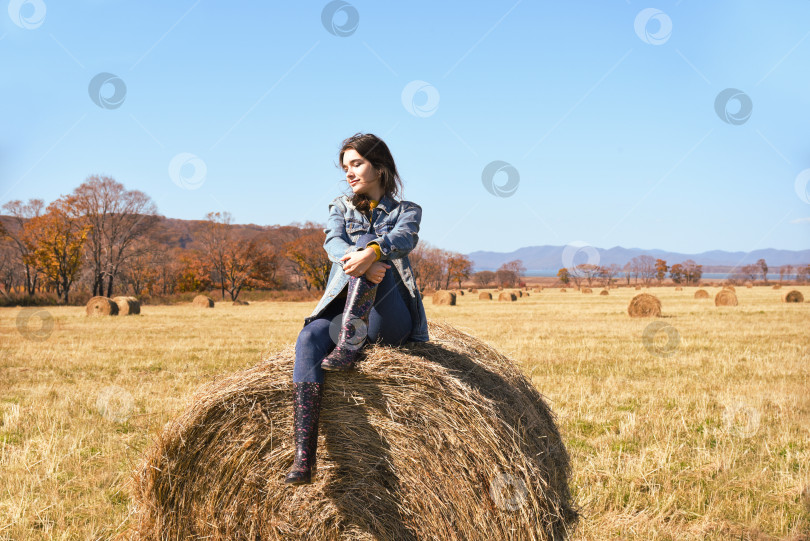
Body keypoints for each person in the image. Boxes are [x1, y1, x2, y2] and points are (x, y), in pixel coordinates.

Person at [285, 133, 429, 485]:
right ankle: (304, 456)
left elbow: (404, 238)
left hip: (389, 318)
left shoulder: (406, 211)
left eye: (356, 164)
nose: (349, 173)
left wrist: (373, 253)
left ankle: (350, 343)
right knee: (308, 338)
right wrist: (362, 264)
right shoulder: (340, 207)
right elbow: (332, 241)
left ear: (379, 168)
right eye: (345, 167)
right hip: (344, 307)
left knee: (368, 241)